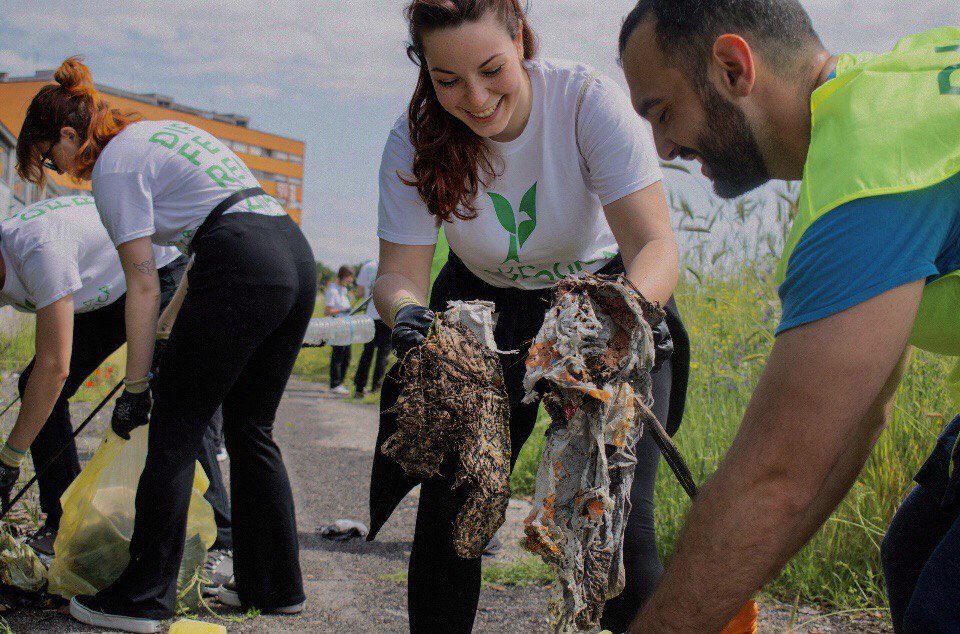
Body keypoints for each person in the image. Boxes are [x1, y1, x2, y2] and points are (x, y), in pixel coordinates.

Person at [617, 1, 960, 631]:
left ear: (731, 67)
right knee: (913, 548)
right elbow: (856, 417)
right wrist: (724, 593)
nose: (662, 147)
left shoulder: (868, 181)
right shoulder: (893, 96)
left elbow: (773, 480)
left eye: (662, 113)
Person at [367, 1, 689, 632]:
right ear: (424, 71)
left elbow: (655, 247)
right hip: (481, 314)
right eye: (448, 81)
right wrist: (408, 316)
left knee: (618, 522)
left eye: (492, 70)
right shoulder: (413, 139)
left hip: (602, 303)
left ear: (520, 40)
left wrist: (623, 311)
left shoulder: (583, 101)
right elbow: (398, 277)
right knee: (454, 516)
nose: (476, 99)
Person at [16, 57, 315, 632]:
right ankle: (274, 586)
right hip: (291, 255)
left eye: (52, 158)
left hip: (240, 258)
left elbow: (144, 281)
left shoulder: (112, 171)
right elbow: (198, 243)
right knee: (252, 428)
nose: (60, 172)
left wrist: (136, 384)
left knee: (175, 429)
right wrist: (163, 338)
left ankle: (142, 599)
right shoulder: (162, 135)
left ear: (71, 136)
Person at [0, 195, 233, 588]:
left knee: (175, 393)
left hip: (156, 270)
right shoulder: (15, 255)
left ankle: (222, 542)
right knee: (32, 385)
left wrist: (8, 459)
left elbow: (55, 367)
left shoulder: (40, 252)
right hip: (109, 285)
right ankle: (64, 521)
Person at [353, 259, 391, 397]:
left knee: (367, 353)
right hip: (386, 315)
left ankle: (359, 386)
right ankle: (375, 388)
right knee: (382, 355)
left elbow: (359, 292)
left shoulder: (367, 267)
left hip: (370, 315)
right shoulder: (393, 264)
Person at [325, 265, 354, 395]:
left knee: (346, 356)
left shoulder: (343, 290)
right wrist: (343, 310)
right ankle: (335, 384)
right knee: (338, 356)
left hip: (346, 326)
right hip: (337, 325)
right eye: (349, 277)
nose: (351, 281)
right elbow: (328, 311)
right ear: (343, 276)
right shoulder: (333, 290)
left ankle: (340, 382)